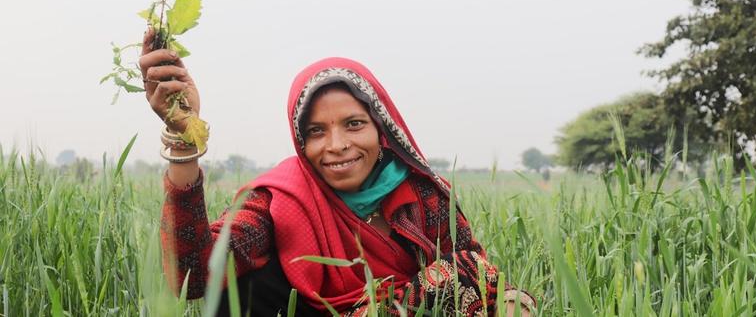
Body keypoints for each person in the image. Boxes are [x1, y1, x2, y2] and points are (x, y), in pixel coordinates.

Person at [139, 28, 535, 316]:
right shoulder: (281, 199)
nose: (336, 145)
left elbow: (479, 277)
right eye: (316, 131)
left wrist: (514, 302)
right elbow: (194, 276)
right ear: (301, 142)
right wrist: (183, 137)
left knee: (459, 275)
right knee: (244, 286)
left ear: (382, 131)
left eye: (353, 124)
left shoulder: (426, 196)